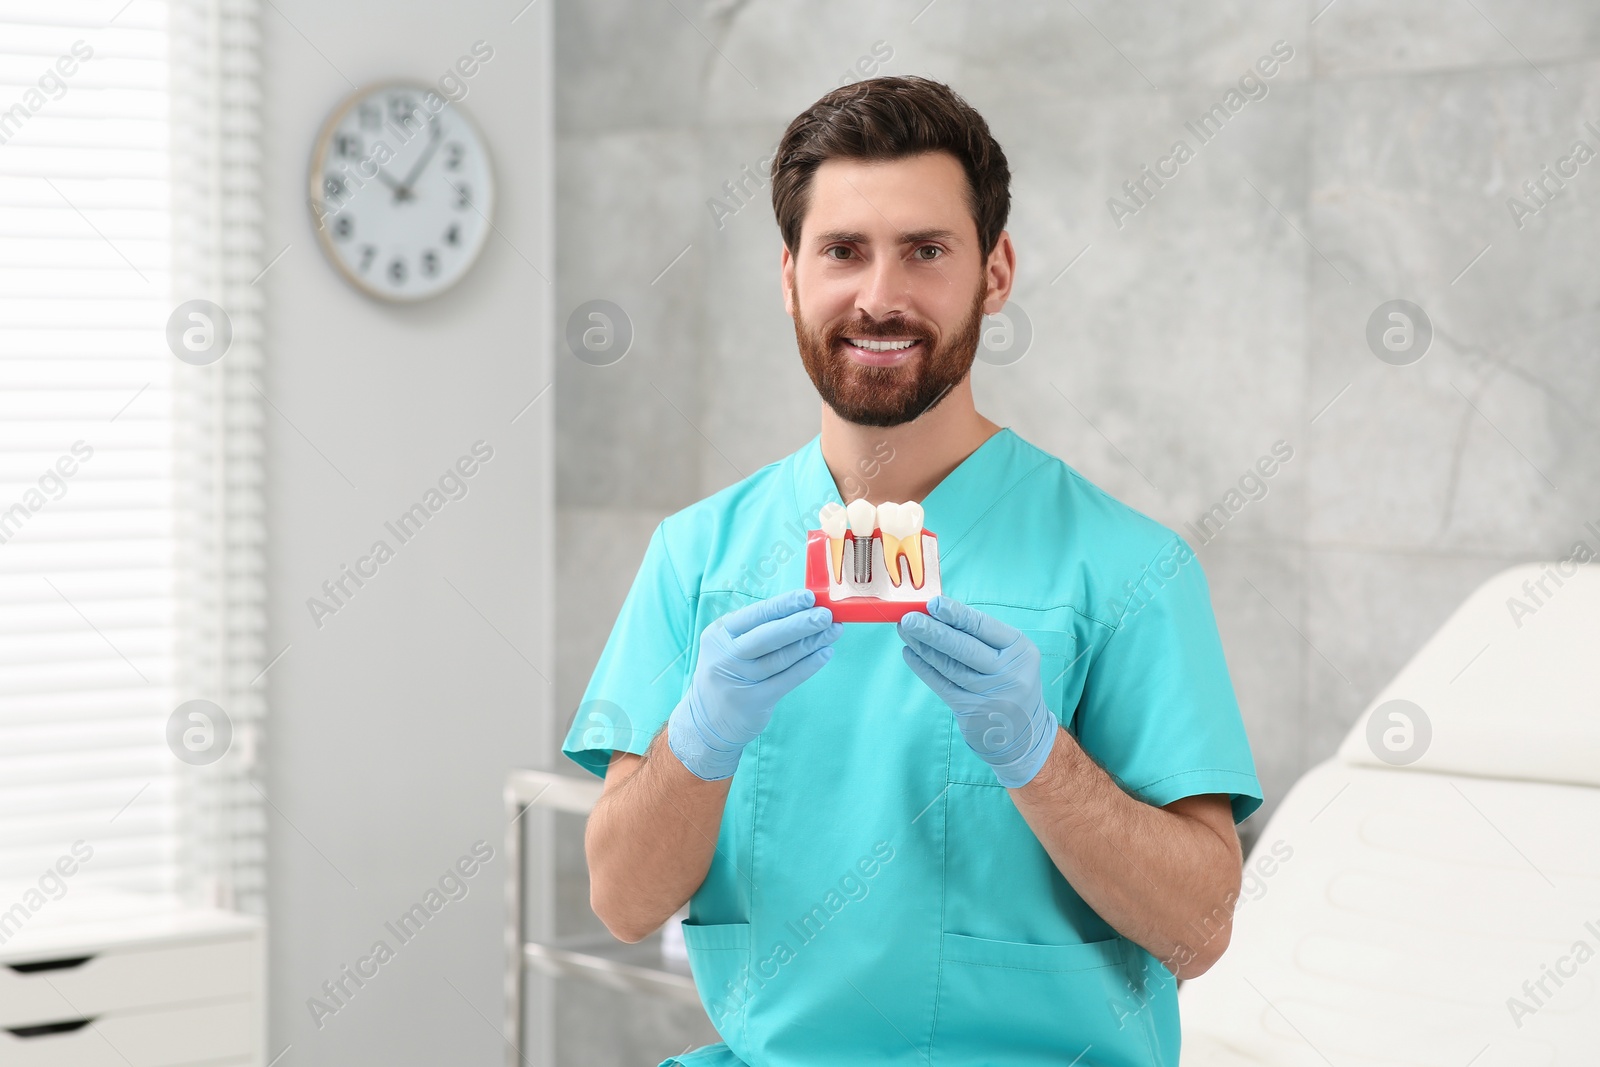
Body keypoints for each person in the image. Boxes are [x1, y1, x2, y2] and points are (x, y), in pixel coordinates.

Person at [562, 74, 1263, 1067]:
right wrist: (701, 736)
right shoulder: (696, 555)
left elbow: (1200, 930)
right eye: (842, 251)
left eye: (925, 252)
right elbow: (623, 902)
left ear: (995, 271)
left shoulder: (1129, 567)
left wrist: (1037, 753)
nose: (880, 295)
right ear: (790, 277)